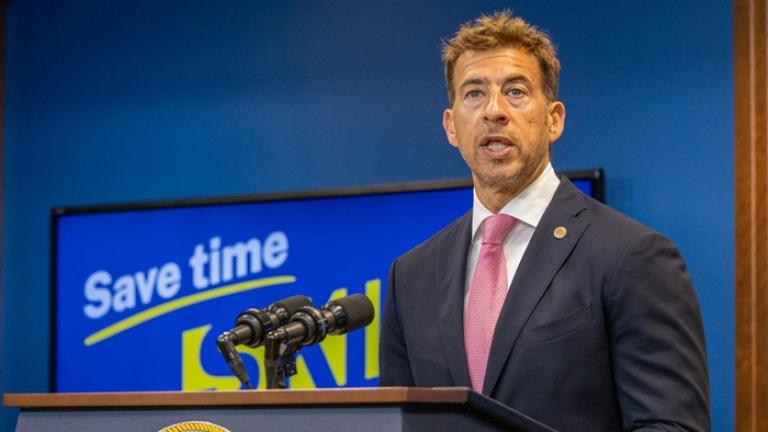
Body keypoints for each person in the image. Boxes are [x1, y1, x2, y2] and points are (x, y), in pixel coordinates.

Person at [379, 11, 710, 432]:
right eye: (474, 94)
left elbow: (670, 426)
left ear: (554, 119)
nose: (494, 111)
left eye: (515, 91)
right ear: (451, 126)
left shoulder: (632, 256)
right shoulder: (411, 276)